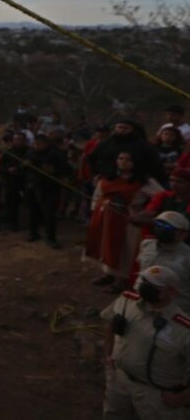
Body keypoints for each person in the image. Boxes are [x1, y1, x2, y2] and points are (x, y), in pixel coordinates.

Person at [101, 265, 190, 419]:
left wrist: (183, 397)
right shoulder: (126, 300)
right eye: (144, 281)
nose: (145, 287)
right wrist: (108, 353)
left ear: (172, 292)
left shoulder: (183, 328)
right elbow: (110, 323)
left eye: (154, 286)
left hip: (155, 395)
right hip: (119, 379)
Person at [86, 152, 164, 291]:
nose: (123, 161)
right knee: (105, 245)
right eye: (120, 158)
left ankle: (121, 279)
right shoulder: (107, 178)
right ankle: (108, 274)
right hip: (106, 217)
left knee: (124, 249)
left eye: (128, 159)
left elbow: (161, 195)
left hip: (128, 219)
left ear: (135, 162)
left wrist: (146, 211)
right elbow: (97, 195)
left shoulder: (143, 181)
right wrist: (95, 212)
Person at [135, 211, 190, 313]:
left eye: (168, 227)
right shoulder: (146, 244)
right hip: (140, 302)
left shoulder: (187, 256)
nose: (161, 229)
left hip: (174, 311)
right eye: (158, 224)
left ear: (183, 234)